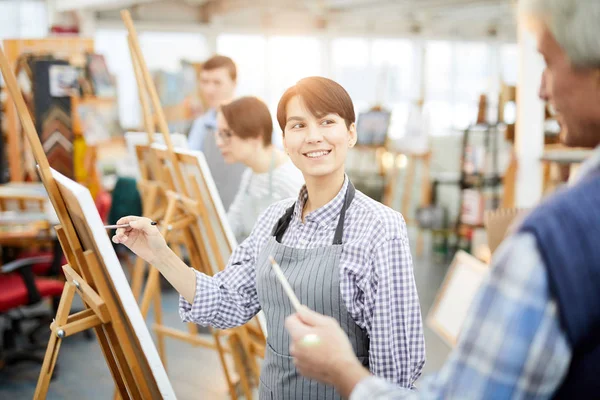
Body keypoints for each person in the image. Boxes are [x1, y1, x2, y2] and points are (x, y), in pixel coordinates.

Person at [284, 1, 600, 399]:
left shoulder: (552, 242)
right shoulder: (279, 220)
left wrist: (343, 371)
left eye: (549, 62)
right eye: (298, 126)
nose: (540, 89)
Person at [112, 76, 425, 399]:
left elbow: (396, 371)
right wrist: (160, 255)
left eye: (327, 122)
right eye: (298, 125)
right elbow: (227, 301)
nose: (313, 137)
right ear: (286, 140)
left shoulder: (382, 229)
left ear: (351, 133)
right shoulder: (274, 219)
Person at [216, 96, 304, 243]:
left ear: (256, 136)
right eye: (219, 134)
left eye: (227, 134)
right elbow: (232, 224)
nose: (219, 143)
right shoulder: (250, 174)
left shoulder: (291, 180)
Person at [188, 55, 245, 209]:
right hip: (210, 211)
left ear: (234, 84)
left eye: (217, 83)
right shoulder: (200, 124)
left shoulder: (251, 122)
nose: (209, 90)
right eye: (205, 82)